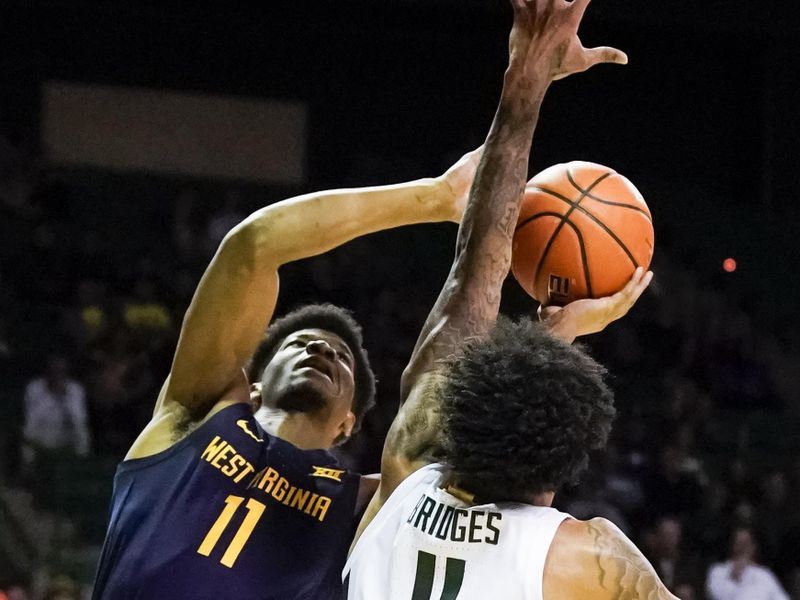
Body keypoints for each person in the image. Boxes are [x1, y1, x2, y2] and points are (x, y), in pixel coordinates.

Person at [343, 0, 676, 598]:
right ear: (575, 454)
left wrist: (524, 79)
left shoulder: (404, 481)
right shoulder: (584, 559)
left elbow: (470, 281)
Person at [90, 137, 482, 597]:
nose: (321, 350)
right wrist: (436, 197)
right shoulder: (196, 415)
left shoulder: (361, 503)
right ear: (253, 388)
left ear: (347, 425)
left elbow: (447, 413)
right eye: (300, 343)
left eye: (342, 359)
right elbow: (252, 247)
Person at [706, 526, 789, 600]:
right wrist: (734, 577)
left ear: (753, 547)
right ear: (732, 546)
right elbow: (717, 596)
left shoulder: (764, 574)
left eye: (746, 543)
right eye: (739, 543)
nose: (742, 548)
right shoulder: (718, 571)